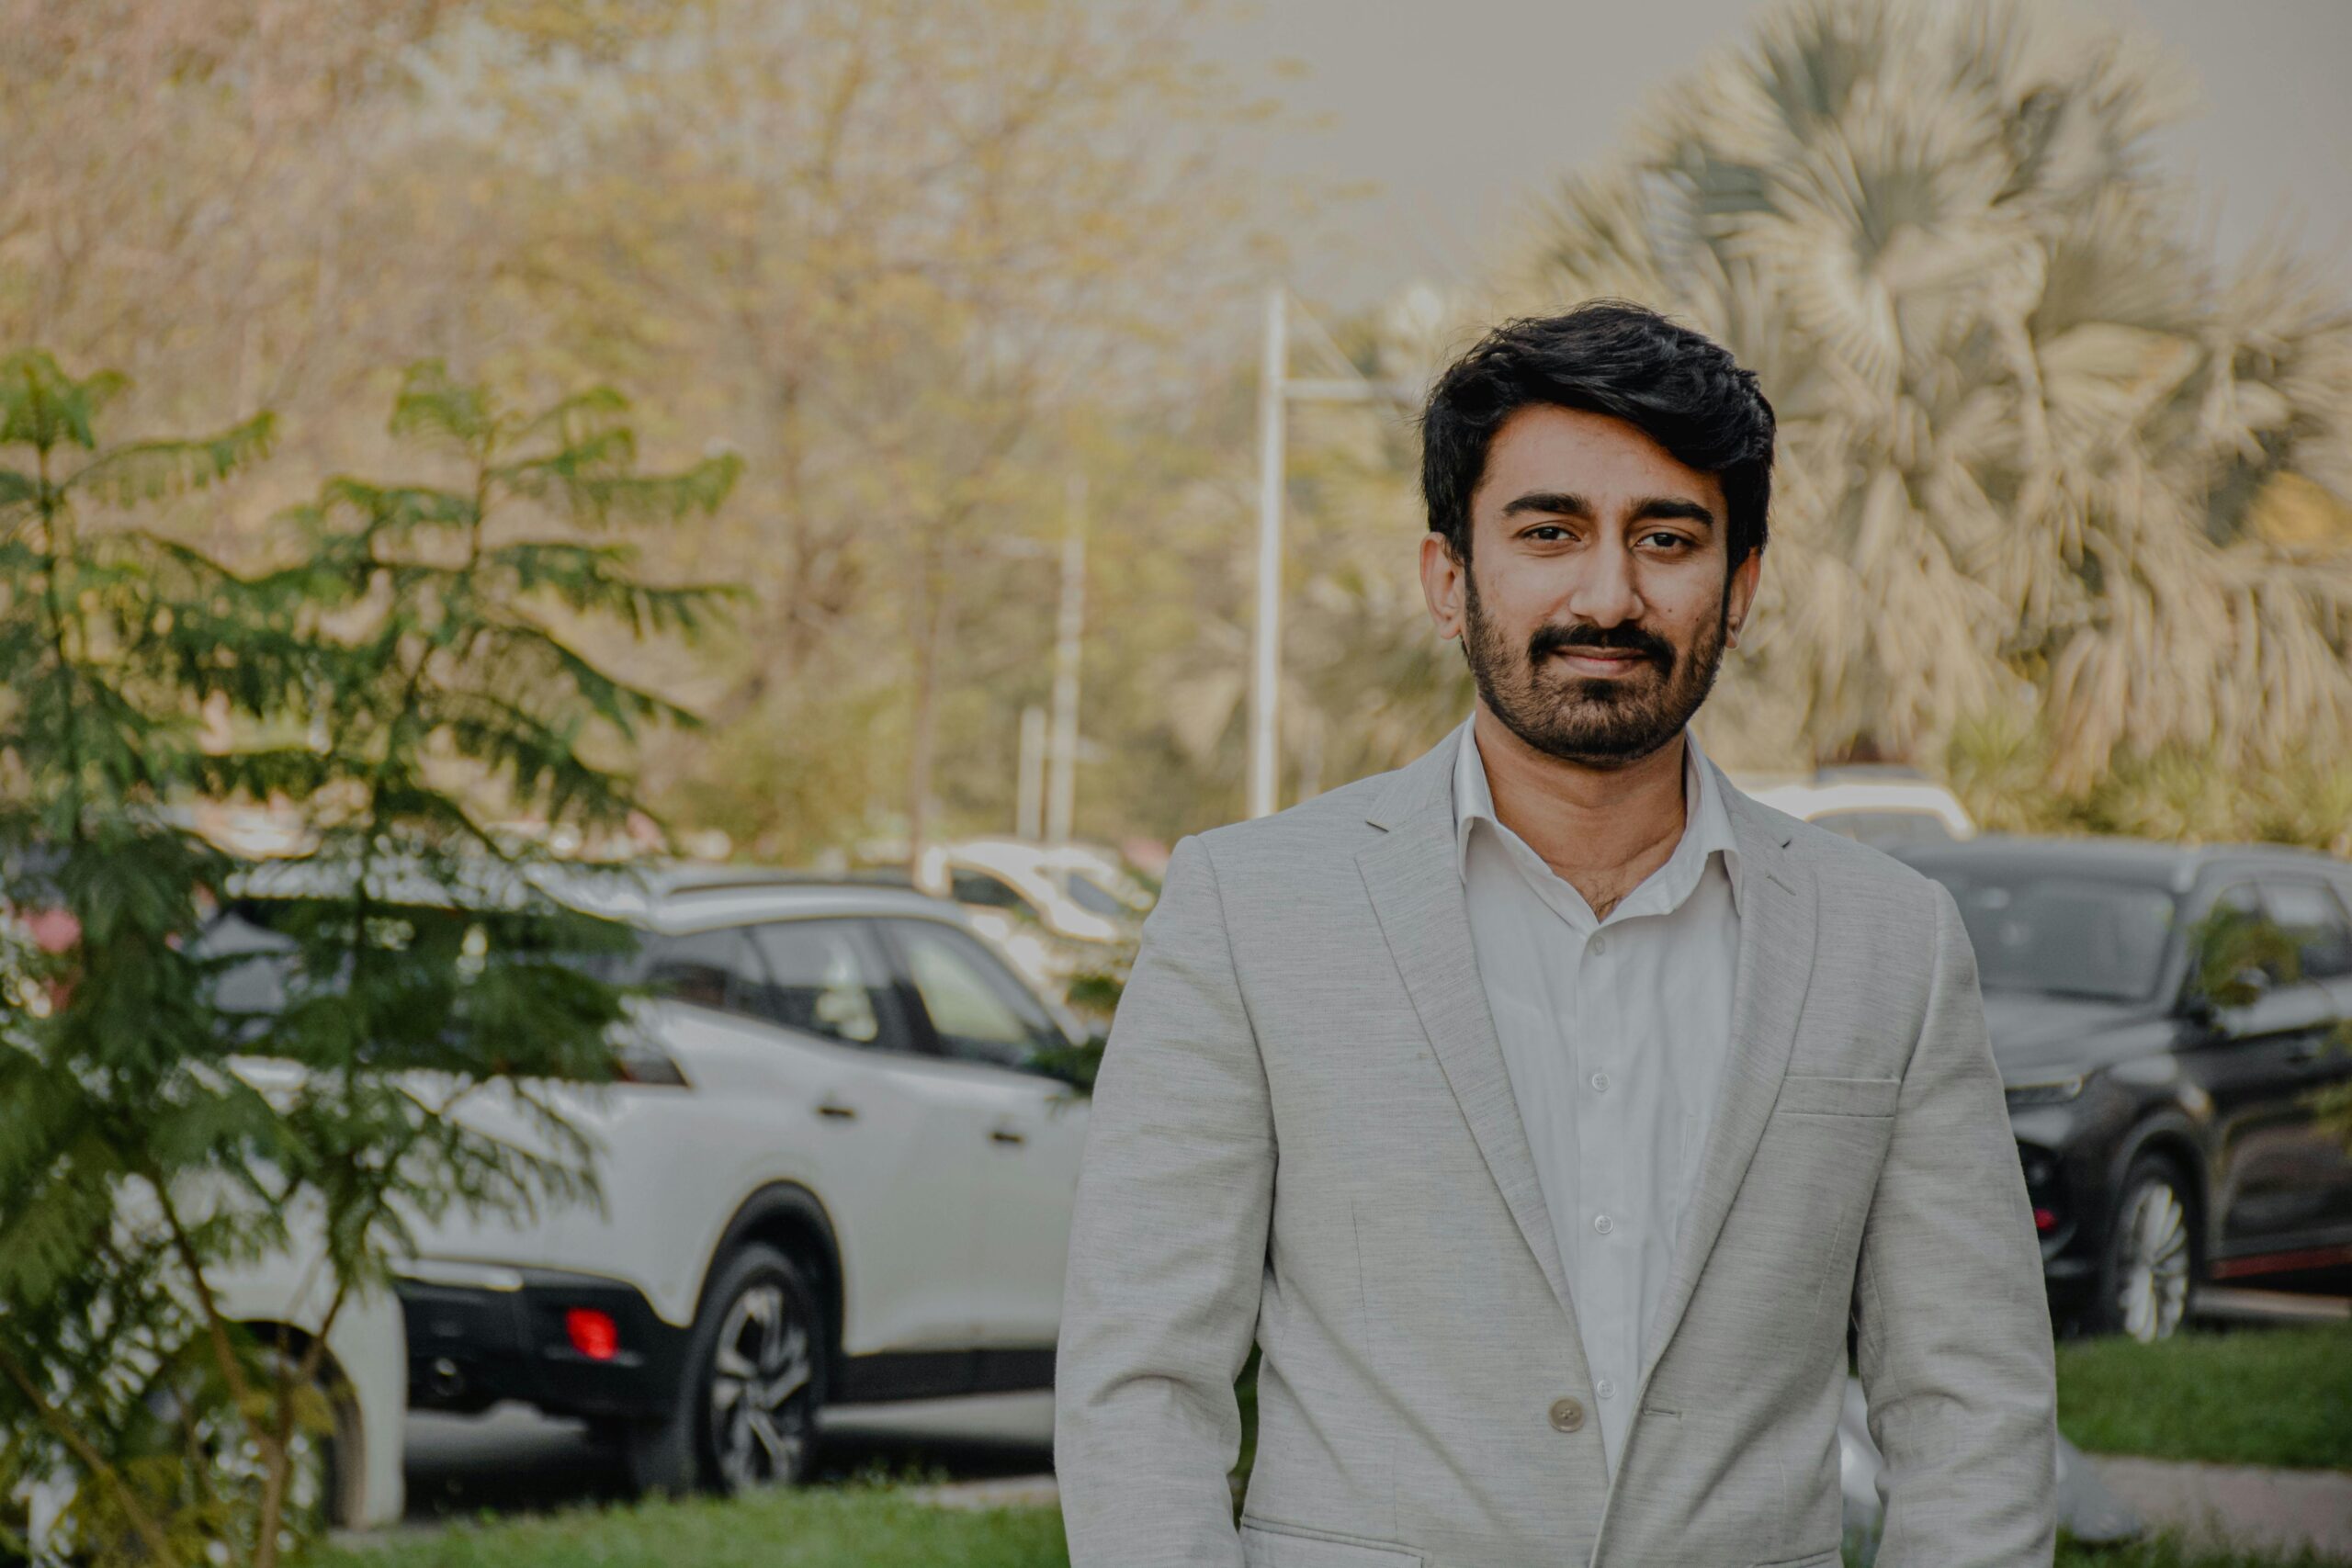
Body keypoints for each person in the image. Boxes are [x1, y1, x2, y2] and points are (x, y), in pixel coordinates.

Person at [1052, 301, 2056, 1567]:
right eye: (1549, 533)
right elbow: (1141, 1386)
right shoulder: (1250, 910)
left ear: (1740, 589)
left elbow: (1972, 1404)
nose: (1609, 594)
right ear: (1449, 578)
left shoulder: (1889, 943)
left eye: (1667, 539)